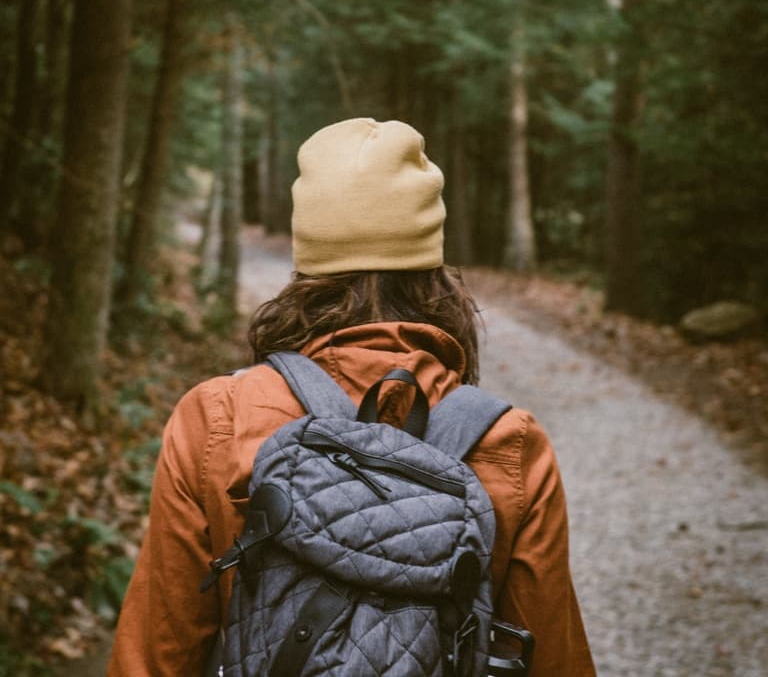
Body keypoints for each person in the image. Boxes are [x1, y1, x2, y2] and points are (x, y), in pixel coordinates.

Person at [107, 117, 596, 676]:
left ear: (305, 264)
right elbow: (551, 658)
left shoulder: (218, 416)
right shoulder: (512, 443)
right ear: (434, 270)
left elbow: (155, 653)